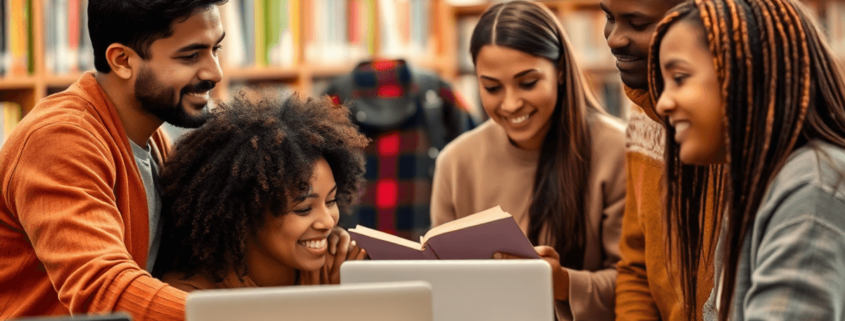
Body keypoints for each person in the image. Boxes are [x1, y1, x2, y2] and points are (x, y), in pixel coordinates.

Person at [0, 0, 226, 319]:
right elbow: (102, 288)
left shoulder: (152, 139)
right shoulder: (59, 139)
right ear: (122, 60)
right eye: (191, 55)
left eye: (216, 49)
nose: (215, 72)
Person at [430, 1, 626, 320]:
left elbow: (637, 285)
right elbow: (444, 284)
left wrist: (561, 283)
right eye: (492, 88)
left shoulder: (616, 149)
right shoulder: (455, 162)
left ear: (560, 71)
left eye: (528, 83)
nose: (510, 104)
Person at [650, 0, 845, 320]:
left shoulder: (813, 185)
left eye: (680, 77)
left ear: (746, 71)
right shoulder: (756, 183)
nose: (662, 103)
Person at [156, 93, 369, 291]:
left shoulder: (337, 265)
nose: (328, 223)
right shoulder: (189, 293)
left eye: (330, 201)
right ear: (244, 214)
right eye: (304, 209)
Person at [600, 0, 719, 320]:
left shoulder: (725, 137)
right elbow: (637, 265)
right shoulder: (641, 112)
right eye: (609, 17)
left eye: (637, 24)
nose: (614, 39)